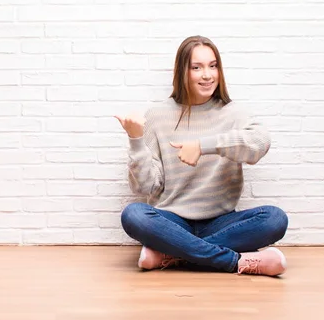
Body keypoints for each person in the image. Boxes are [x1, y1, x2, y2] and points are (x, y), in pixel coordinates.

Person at [115, 35, 289, 277]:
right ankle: (234, 261)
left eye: (213, 65)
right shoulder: (158, 115)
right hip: (172, 221)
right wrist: (136, 142)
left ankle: (173, 254)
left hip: (221, 221)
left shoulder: (234, 113)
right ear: (182, 72)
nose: (207, 75)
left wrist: (203, 145)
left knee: (274, 219)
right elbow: (145, 186)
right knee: (133, 215)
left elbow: (260, 143)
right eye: (196, 67)